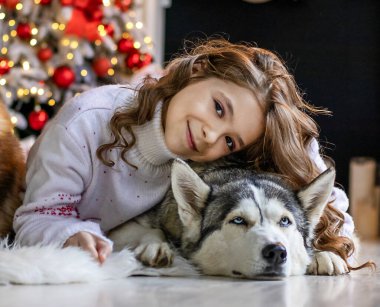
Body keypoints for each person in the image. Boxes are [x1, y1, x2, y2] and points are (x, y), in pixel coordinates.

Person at [13, 38, 355, 270]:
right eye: (219, 108)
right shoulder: (85, 124)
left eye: (231, 142)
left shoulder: (200, 159)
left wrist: (318, 245)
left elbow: (323, 195)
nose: (210, 135)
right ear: (197, 70)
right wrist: (67, 234)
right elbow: (33, 217)